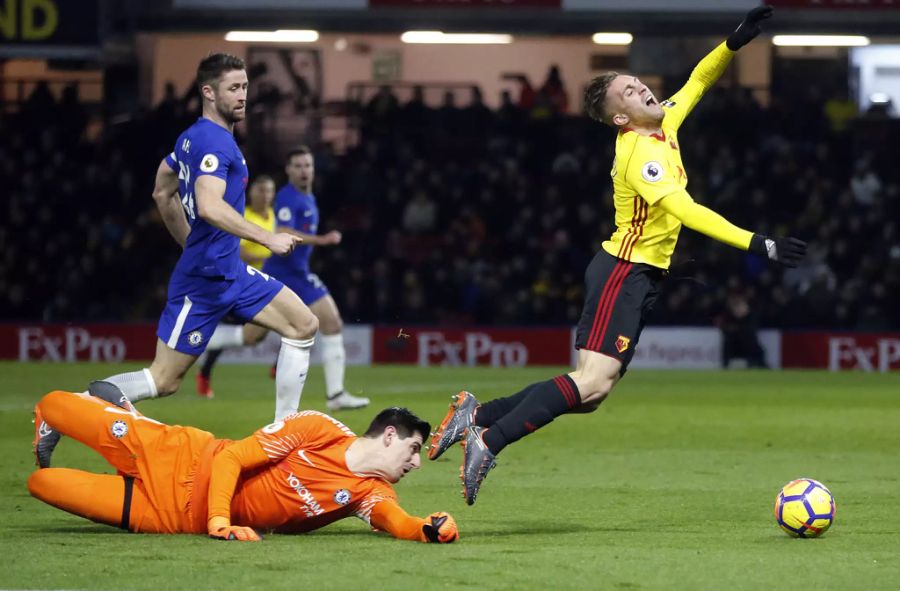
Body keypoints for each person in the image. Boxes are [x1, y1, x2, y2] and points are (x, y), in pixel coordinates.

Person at [428, 6, 807, 505]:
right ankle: (488, 440)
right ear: (621, 118)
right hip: (622, 273)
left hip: (639, 276)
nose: (642, 89)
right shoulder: (640, 155)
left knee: (591, 395)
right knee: (591, 383)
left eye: (636, 82)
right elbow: (686, 210)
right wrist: (759, 242)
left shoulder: (664, 121)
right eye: (628, 92)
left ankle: (474, 415)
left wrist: (733, 44)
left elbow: (697, 80)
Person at [33, 54, 323, 470]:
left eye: (244, 87)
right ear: (208, 92)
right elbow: (207, 205)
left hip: (230, 271)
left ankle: (279, 441)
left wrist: (191, 243)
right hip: (204, 281)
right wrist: (266, 237)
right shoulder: (214, 142)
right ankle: (59, 412)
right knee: (162, 380)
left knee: (303, 325)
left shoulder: (190, 139)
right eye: (233, 88)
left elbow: (161, 191)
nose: (243, 96)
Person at [28, 390, 458, 543]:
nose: (416, 462)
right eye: (414, 449)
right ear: (388, 435)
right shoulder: (315, 428)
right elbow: (233, 457)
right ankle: (126, 413)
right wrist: (220, 521)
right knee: (54, 406)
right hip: (181, 456)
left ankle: (124, 410)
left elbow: (396, 521)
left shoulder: (371, 493)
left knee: (42, 484)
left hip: (167, 517)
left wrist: (427, 529)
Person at [201, 147, 369, 414]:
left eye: (308, 166)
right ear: (289, 171)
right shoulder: (289, 198)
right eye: (298, 166)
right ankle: (335, 394)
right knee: (263, 335)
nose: (304, 171)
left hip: (296, 273)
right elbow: (283, 231)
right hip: (285, 273)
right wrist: (322, 240)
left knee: (256, 336)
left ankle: (335, 394)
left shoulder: (308, 197)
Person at [195, 174, 278, 398]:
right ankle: (203, 372)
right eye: (261, 190)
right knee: (255, 330)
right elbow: (235, 249)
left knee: (272, 326)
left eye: (269, 191)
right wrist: (268, 252)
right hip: (237, 282)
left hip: (261, 283)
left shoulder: (273, 216)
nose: (265, 195)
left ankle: (278, 366)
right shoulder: (244, 216)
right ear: (252, 193)